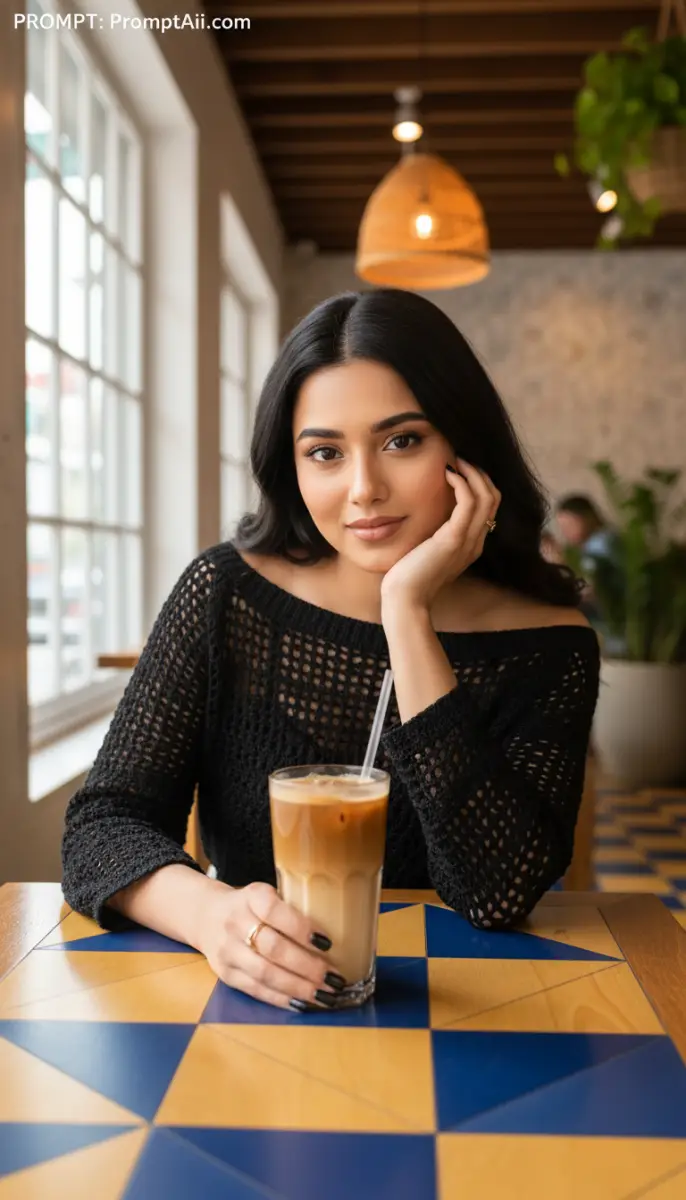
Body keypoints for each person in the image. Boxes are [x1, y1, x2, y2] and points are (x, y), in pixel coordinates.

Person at [61, 288, 600, 1014]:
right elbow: (102, 827)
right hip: (251, 1011)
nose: (364, 489)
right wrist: (210, 916)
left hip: (479, 1022)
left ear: (464, 447)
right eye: (325, 452)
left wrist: (406, 611)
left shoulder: (551, 645)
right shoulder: (227, 594)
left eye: (401, 441)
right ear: (293, 466)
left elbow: (496, 892)